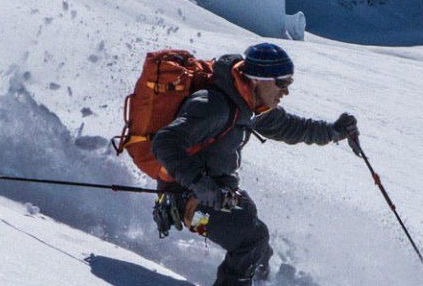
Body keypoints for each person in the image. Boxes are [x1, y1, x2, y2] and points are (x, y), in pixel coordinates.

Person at [152, 42, 358, 285]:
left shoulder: (245, 104)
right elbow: (164, 142)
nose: (285, 91)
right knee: (251, 240)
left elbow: (289, 126)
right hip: (185, 200)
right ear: (258, 79)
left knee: (259, 246)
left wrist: (333, 132)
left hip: (218, 192)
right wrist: (199, 183)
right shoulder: (213, 106)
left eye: (288, 83)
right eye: (282, 83)